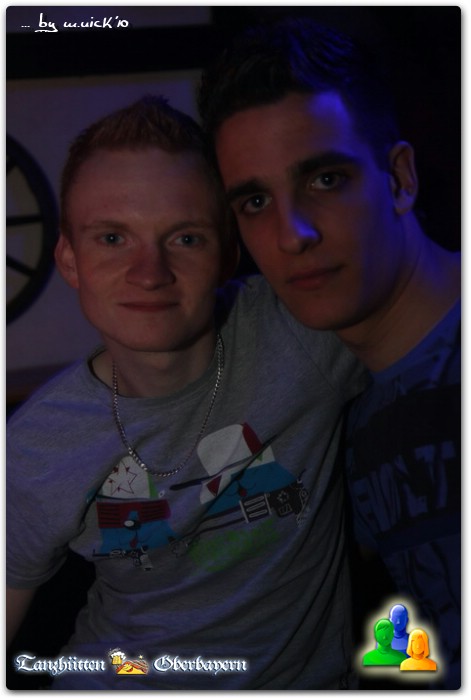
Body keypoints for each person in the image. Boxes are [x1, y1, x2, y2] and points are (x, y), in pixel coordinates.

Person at [6, 96, 365, 690]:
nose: (150, 273)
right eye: (113, 238)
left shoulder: (302, 331)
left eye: (186, 238)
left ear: (227, 254)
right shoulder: (34, 446)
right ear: (69, 260)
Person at [198, 15, 461, 689]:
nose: (292, 235)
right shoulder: (335, 407)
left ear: (398, 178)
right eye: (256, 201)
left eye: (324, 180)